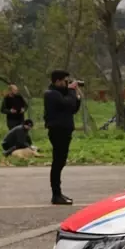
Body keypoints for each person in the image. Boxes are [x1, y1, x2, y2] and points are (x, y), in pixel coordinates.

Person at [43, 70, 82, 204]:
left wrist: (77, 95)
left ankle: (58, 193)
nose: (67, 83)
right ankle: (56, 194)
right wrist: (71, 91)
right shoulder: (51, 94)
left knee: (61, 162)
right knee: (58, 162)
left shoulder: (61, 94)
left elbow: (73, 108)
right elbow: (67, 104)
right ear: (57, 81)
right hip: (57, 131)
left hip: (65, 131)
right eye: (65, 81)